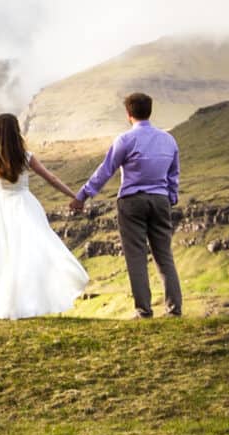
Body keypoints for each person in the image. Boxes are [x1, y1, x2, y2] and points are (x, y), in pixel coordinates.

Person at [73, 91, 182, 318]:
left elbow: (105, 171)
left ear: (128, 114)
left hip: (132, 202)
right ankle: (174, 310)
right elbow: (174, 174)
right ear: (149, 111)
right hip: (161, 200)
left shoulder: (125, 140)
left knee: (136, 257)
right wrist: (170, 197)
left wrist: (83, 196)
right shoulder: (169, 140)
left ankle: (144, 311)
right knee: (164, 256)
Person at [0, 111, 90, 319]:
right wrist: (75, 196)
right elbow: (51, 178)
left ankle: (12, 306)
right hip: (26, 206)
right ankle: (29, 303)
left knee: (8, 257)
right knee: (32, 254)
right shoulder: (26, 158)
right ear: (16, 134)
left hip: (0, 209)